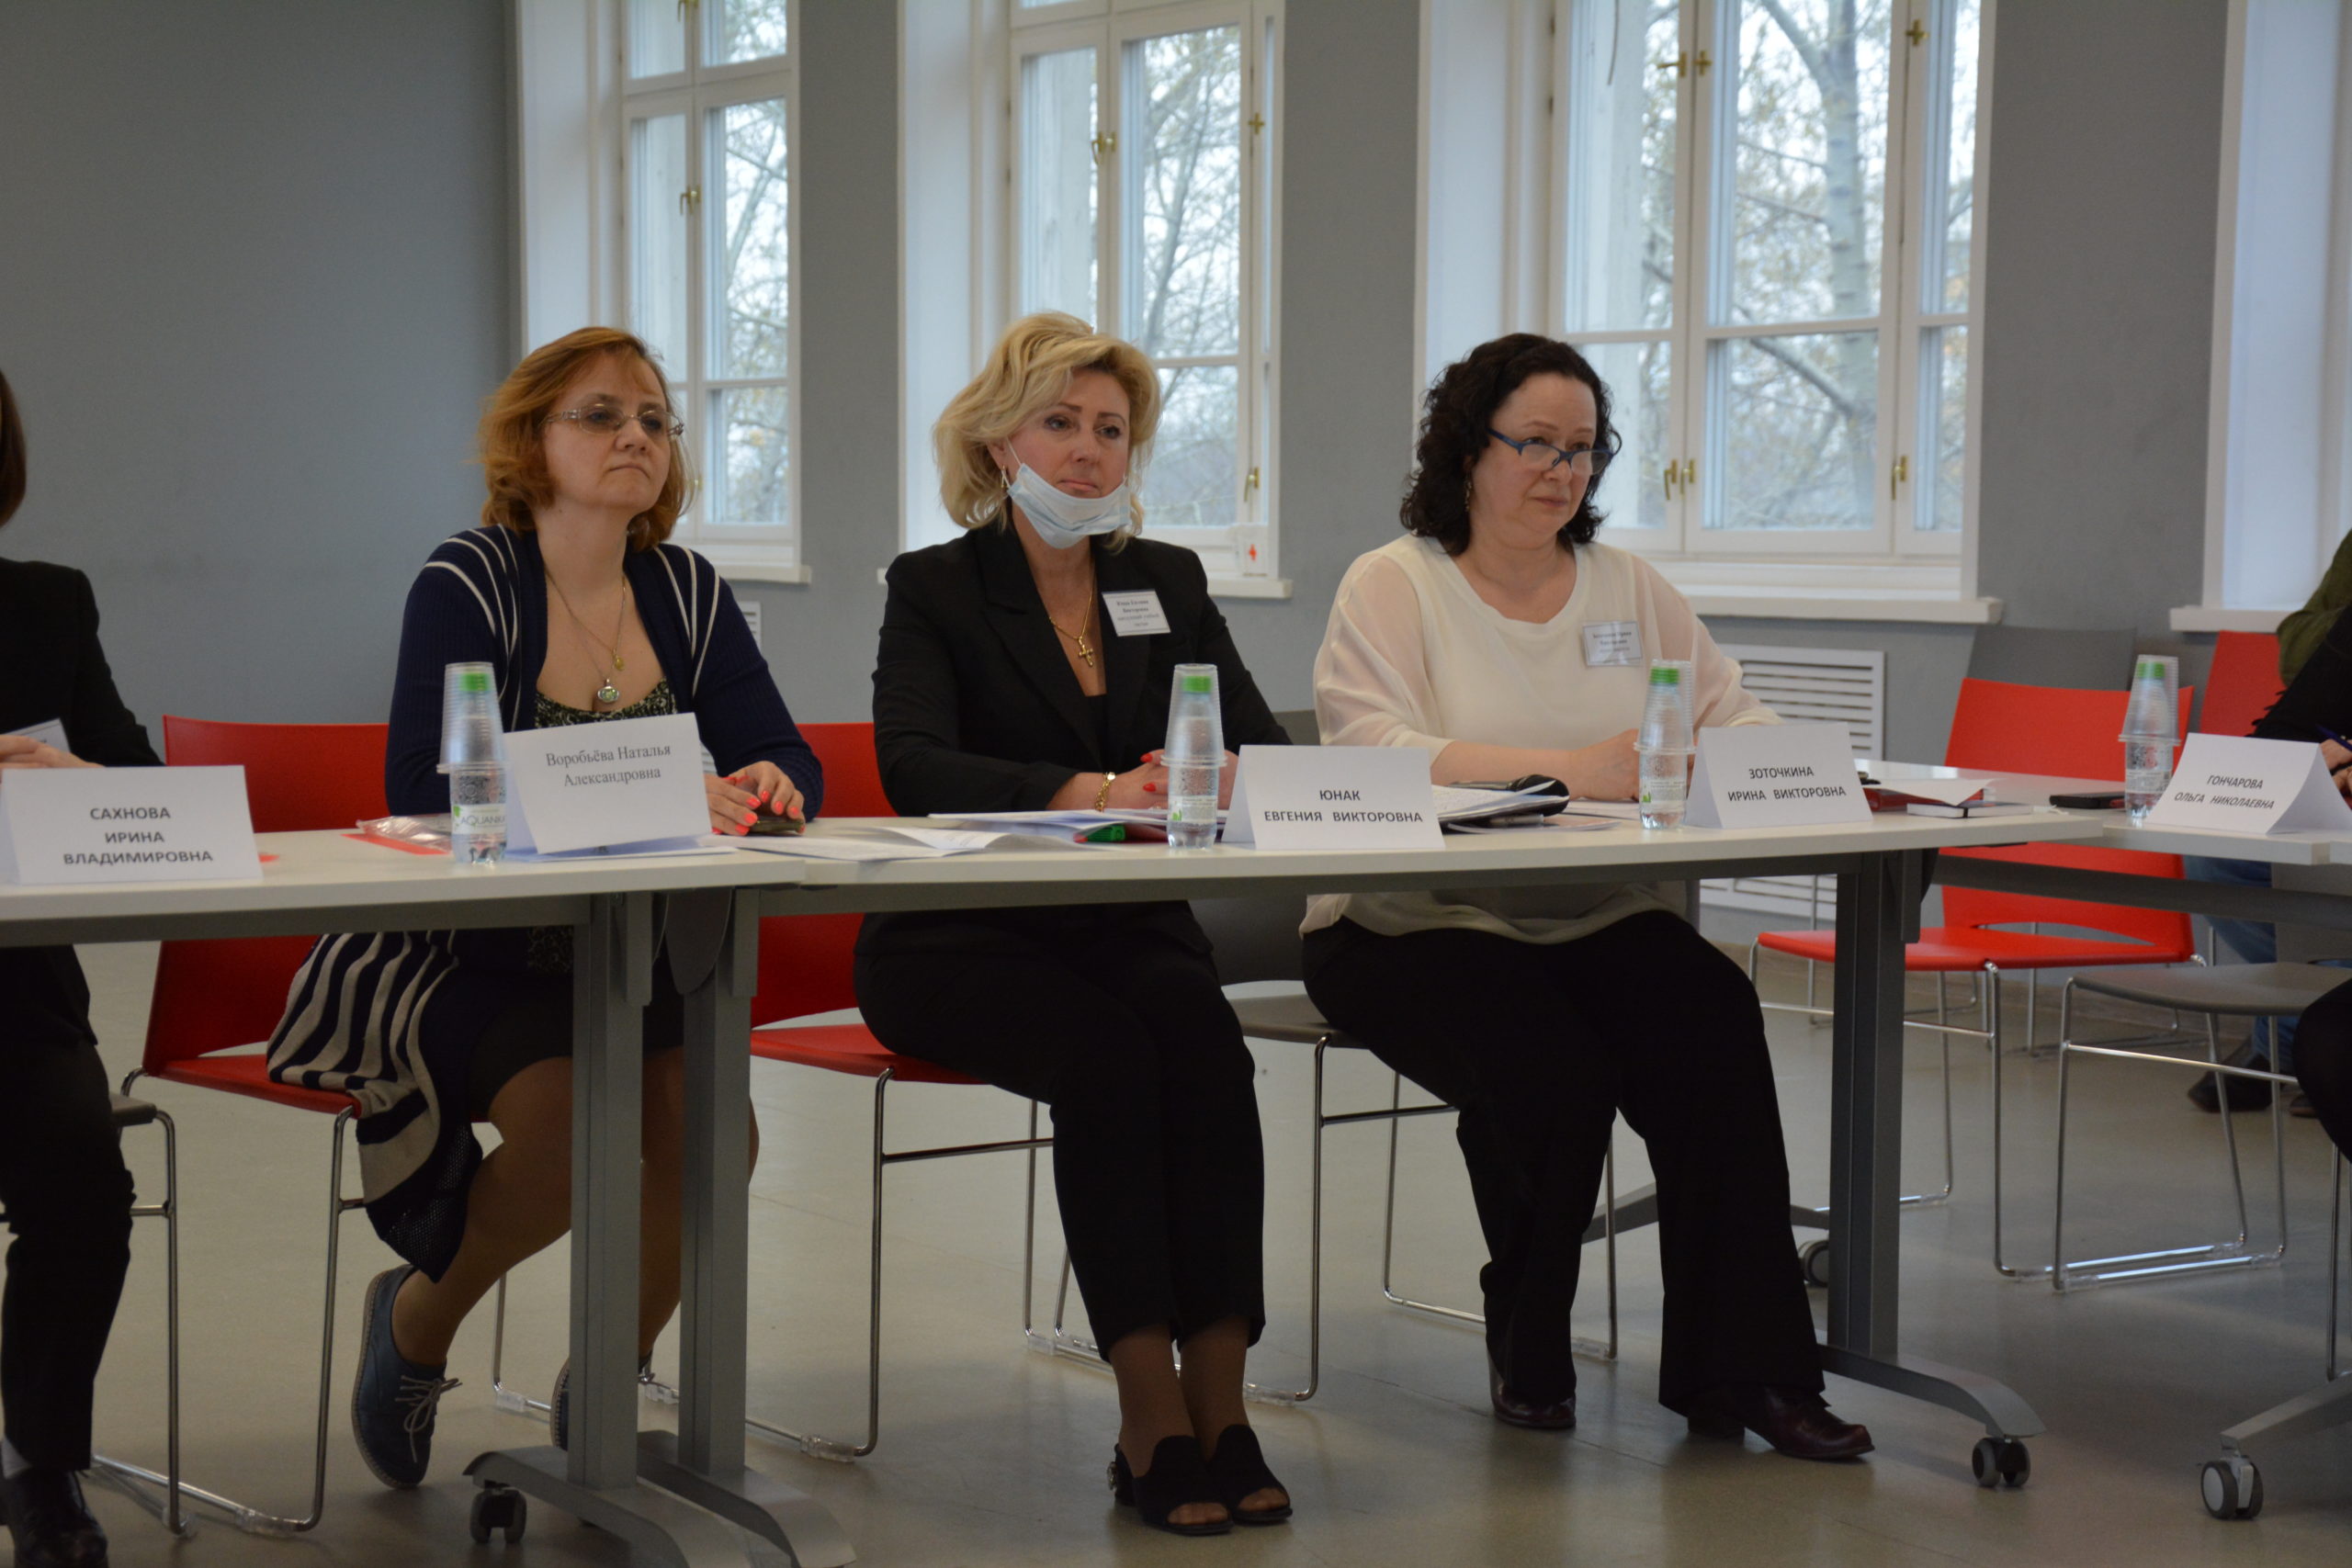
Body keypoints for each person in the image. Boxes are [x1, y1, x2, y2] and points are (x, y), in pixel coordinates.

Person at [266, 328, 822, 1490]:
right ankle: (416, 1324)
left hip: (632, 950)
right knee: (574, 1128)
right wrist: (667, 788)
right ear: (531, 442)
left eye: (655, 420)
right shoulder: (468, 579)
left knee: (718, 1135)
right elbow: (424, 788)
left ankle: (610, 1379)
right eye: (601, 415)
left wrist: (774, 782)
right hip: (459, 954)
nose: (635, 437)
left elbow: (783, 751)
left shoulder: (686, 589)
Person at [1298, 333, 1871, 1460]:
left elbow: (1729, 711)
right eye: (1536, 445)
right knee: (1548, 1065)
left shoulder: (1626, 586)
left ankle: (1749, 1371)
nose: (1562, 471)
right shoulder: (1395, 582)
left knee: (1711, 1020)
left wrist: (1784, 763)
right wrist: (1564, 775)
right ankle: (1528, 1334)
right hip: (1407, 922)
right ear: (1467, 448)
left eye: (1584, 449)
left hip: (1593, 911)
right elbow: (1370, 750)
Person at [854, 312, 1294, 1535]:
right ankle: (1149, 1414)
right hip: (962, 937)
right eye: (1061, 422)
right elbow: (911, 762)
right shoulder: (935, 585)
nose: (1090, 450)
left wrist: (1214, 771)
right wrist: (1092, 789)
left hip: (1125, 926)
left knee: (1205, 1049)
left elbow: (1261, 741)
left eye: (1111, 428)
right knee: (1108, 1061)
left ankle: (1225, 1407)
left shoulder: (1167, 582)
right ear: (1000, 441)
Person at [0, 369, 148, 1568]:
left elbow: (143, 786)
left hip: (17, 995)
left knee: (86, 1183)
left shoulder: (48, 604)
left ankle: (36, 1463)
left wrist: (81, 783)